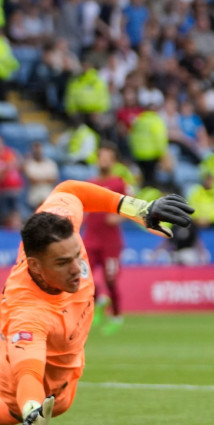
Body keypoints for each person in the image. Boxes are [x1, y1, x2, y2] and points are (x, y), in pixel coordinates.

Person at [0, 180, 193, 425]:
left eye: (77, 255)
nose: (77, 269)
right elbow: (28, 373)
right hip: (33, 354)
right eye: (63, 263)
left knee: (43, 374)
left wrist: (139, 209)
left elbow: (70, 190)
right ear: (36, 267)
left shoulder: (57, 230)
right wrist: (32, 410)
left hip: (52, 342)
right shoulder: (27, 314)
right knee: (35, 405)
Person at [83, 143, 131, 335]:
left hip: (111, 241)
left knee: (111, 280)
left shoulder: (119, 183)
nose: (103, 161)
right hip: (91, 238)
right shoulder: (90, 183)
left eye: (107, 157)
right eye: (100, 157)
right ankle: (99, 301)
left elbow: (132, 206)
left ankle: (116, 316)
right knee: (83, 275)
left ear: (113, 161)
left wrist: (118, 216)